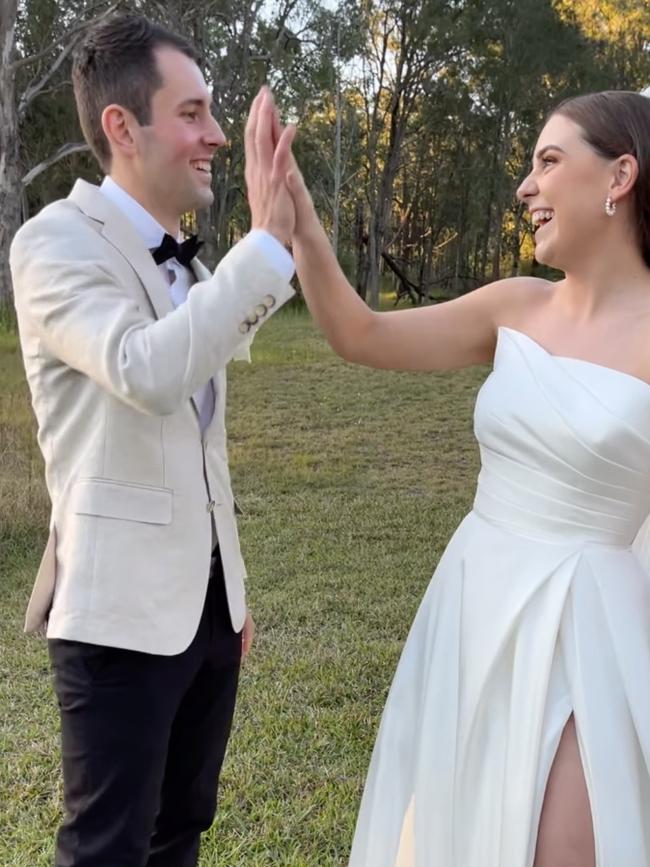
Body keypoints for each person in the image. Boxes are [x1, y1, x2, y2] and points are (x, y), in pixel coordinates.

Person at [284, 90, 650, 866]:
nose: (526, 186)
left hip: (594, 624)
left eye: (548, 161)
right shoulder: (515, 305)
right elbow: (360, 334)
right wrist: (302, 228)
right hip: (475, 595)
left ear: (621, 175)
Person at [9, 14, 296, 867]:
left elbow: (199, 439)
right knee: (106, 849)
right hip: (117, 615)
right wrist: (265, 246)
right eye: (193, 111)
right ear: (121, 127)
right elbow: (144, 369)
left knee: (181, 834)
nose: (212, 133)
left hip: (205, 615)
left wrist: (226, 594)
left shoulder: (193, 272)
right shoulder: (52, 243)